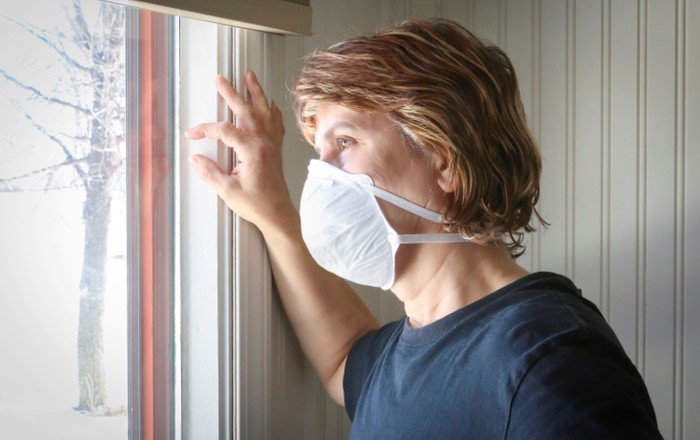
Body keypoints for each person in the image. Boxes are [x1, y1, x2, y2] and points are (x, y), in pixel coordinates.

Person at [185, 18, 662, 439]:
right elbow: (341, 357)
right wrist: (274, 215)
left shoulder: (551, 363)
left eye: (345, 142)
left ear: (444, 162)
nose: (321, 176)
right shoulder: (409, 344)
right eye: (319, 153)